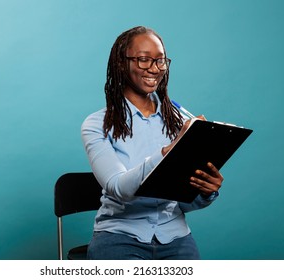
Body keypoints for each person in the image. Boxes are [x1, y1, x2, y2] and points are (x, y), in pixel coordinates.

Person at [81, 26, 223, 260]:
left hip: (176, 237)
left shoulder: (180, 121)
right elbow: (119, 189)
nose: (155, 69)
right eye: (144, 60)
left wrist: (204, 191)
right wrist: (170, 149)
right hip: (119, 238)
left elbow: (182, 203)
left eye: (160, 61)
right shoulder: (98, 124)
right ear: (120, 63)